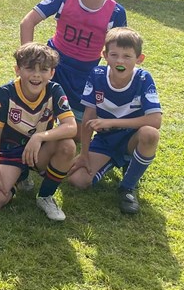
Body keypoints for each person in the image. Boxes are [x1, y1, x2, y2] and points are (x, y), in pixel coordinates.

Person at [20, 0, 126, 122]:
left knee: (77, 131)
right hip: (53, 66)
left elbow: (120, 51)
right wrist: (28, 61)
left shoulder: (116, 12)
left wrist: (112, 80)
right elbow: (27, 22)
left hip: (85, 75)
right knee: (30, 119)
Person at [68, 28, 162, 214]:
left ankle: (127, 187)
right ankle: (119, 160)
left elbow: (155, 120)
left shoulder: (143, 78)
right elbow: (88, 117)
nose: (120, 61)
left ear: (139, 59)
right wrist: (84, 154)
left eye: (127, 56)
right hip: (105, 140)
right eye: (114, 55)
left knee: (150, 134)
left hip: (131, 139)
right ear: (105, 56)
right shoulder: (97, 75)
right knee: (78, 180)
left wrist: (111, 122)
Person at [0, 43, 77, 221]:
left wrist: (39, 137)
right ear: (17, 70)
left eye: (44, 69)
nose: (36, 75)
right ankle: (19, 177)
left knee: (68, 145)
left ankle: (45, 196)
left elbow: (71, 127)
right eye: (30, 68)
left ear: (52, 73)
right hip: (9, 153)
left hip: (39, 151)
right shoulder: (5, 93)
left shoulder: (54, 90)